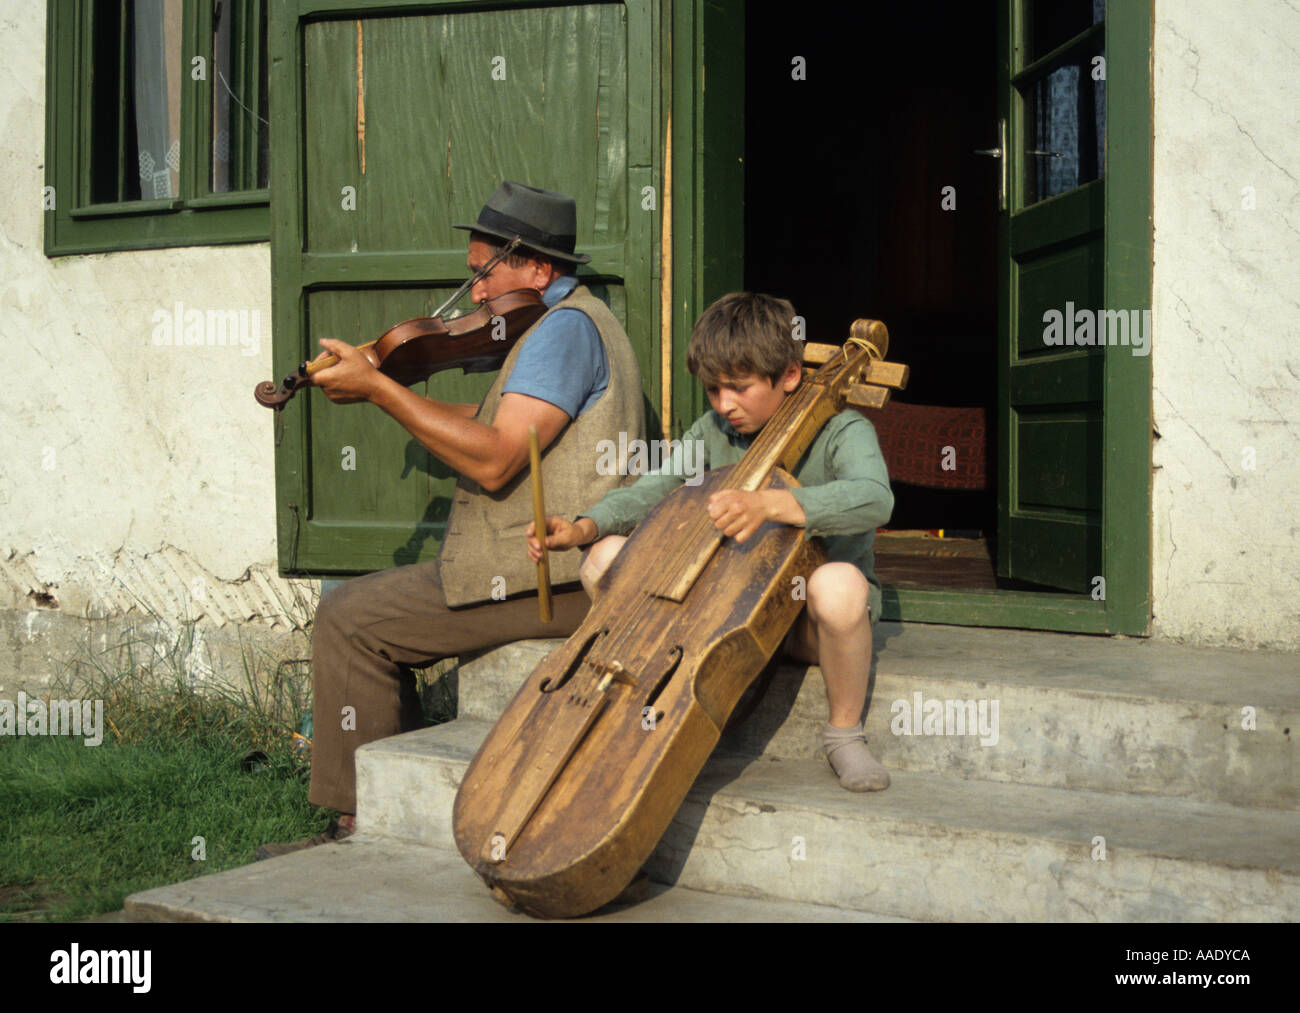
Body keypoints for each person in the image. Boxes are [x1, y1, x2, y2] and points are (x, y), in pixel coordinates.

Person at [267, 182, 646, 854]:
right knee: (363, 609)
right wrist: (383, 391)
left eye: (484, 272)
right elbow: (488, 422)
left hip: (552, 578)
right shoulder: (571, 321)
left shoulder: (562, 333)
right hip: (550, 567)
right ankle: (395, 805)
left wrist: (381, 388)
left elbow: (498, 460)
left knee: (351, 617)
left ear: (538, 268)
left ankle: (363, 823)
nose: (473, 293)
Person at [527, 291, 893, 792]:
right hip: (726, 609)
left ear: (789, 375)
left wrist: (774, 505)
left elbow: (876, 499)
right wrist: (586, 526)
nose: (725, 405)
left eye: (739, 389)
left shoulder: (843, 429)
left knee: (839, 584)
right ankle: (644, 694)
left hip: (806, 624)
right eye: (713, 389)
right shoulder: (716, 428)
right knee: (606, 558)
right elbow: (657, 489)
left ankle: (844, 735)